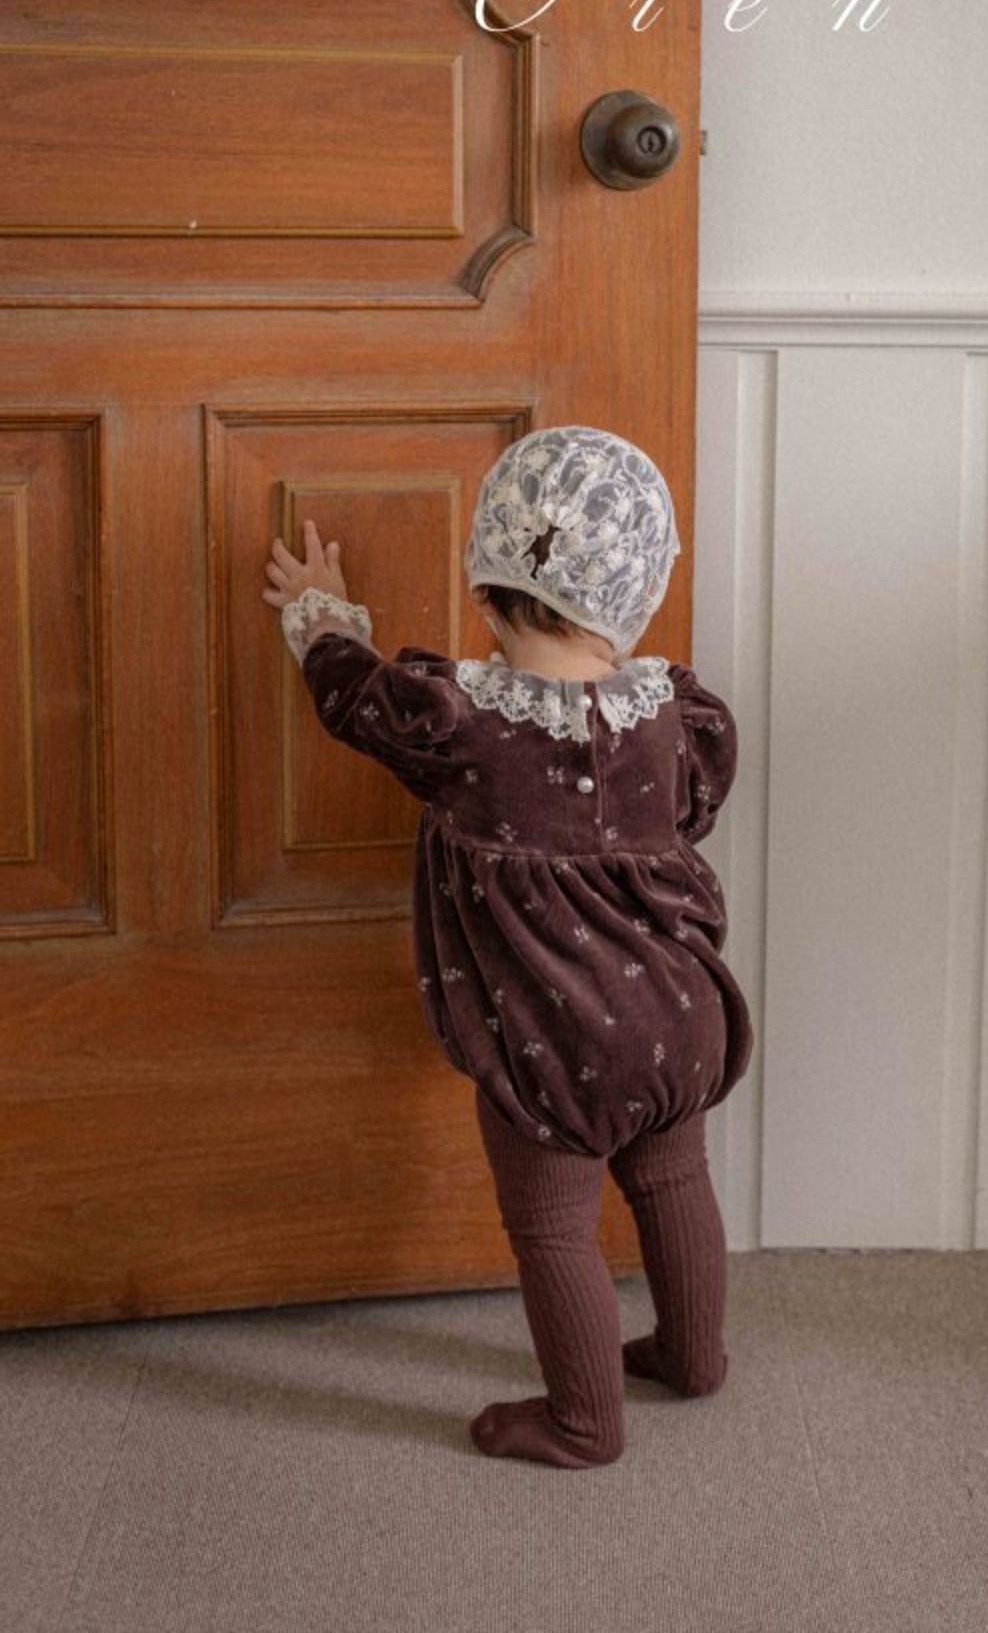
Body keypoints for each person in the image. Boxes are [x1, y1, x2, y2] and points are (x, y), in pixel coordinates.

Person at [261, 424, 753, 1469]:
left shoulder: (457, 722)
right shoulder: (678, 713)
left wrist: (322, 616)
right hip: (682, 1015)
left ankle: (582, 1422)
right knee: (673, 1177)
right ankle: (693, 1356)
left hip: (553, 1047)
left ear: (484, 589)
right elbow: (696, 808)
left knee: (552, 1226)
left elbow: (354, 698)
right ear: (635, 594)